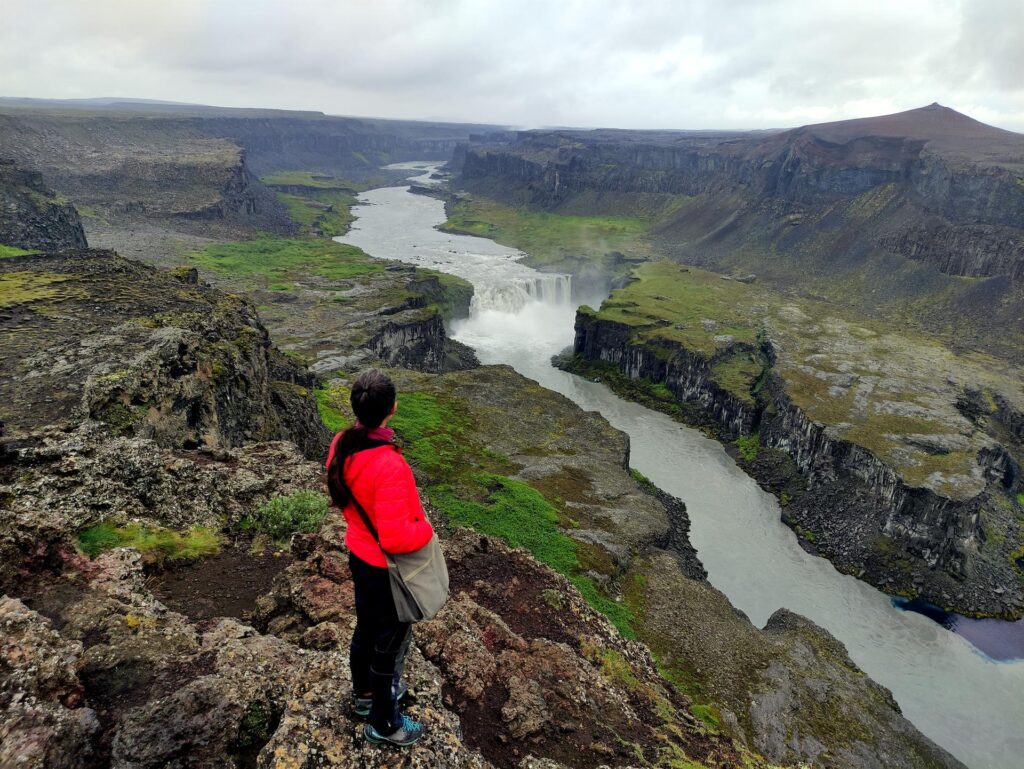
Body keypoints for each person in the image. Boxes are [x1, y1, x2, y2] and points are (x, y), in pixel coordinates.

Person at [325, 369, 434, 747]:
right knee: (389, 643)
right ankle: (384, 724)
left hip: (358, 553)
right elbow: (395, 537)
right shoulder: (389, 464)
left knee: (366, 630)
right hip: (384, 570)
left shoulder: (342, 442)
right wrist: (426, 530)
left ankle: (364, 697)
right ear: (393, 408)